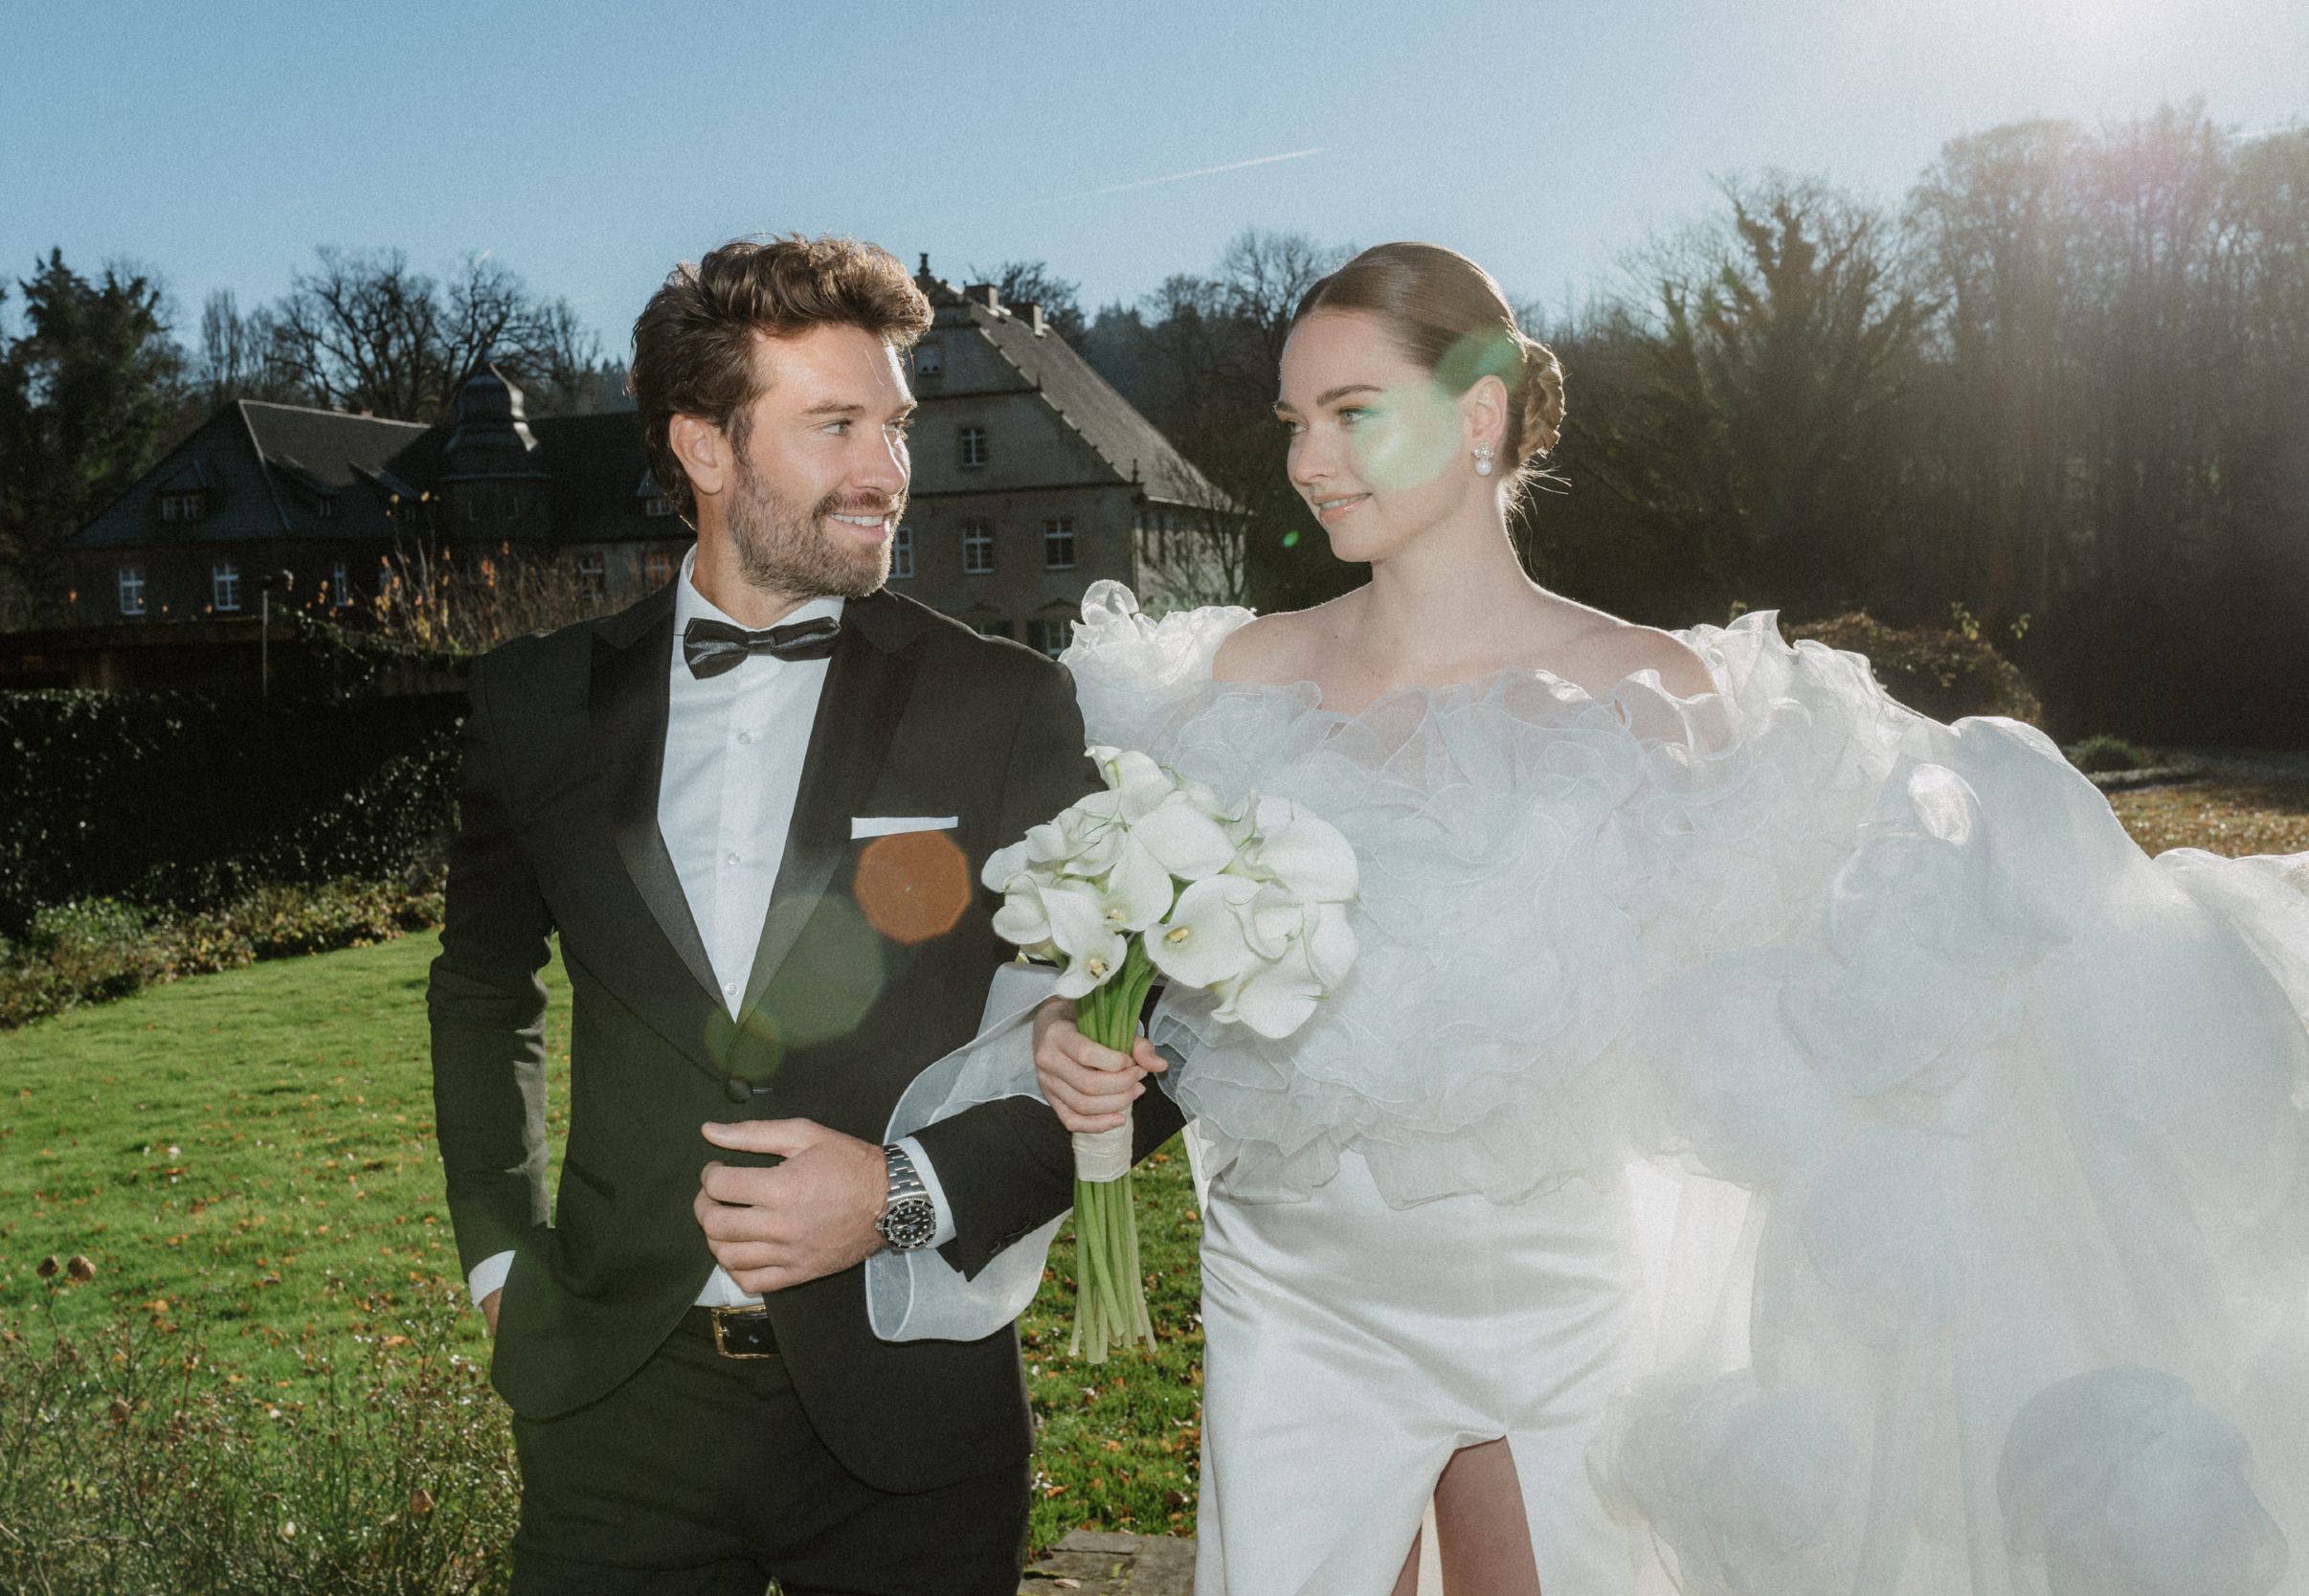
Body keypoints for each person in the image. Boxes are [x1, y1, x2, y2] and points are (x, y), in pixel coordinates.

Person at [1024, 242, 2309, 1595]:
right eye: (1295, 421)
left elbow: (1820, 986)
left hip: (1565, 1302)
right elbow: (1128, 950)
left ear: (1479, 414)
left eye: (1352, 413)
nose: (1307, 461)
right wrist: (1072, 1025)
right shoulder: (1237, 683)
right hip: (1298, 1293)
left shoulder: (1655, 697)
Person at [427, 234, 1182, 1595]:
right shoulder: (533, 700)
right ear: (704, 449)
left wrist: (907, 1194)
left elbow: (1161, 1024)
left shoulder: (1002, 705)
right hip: (612, 1415)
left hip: (910, 1423)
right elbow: (483, 986)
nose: (887, 470)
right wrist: (496, 1252)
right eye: (835, 426)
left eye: (895, 426)